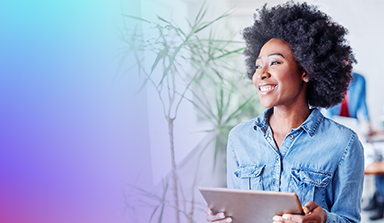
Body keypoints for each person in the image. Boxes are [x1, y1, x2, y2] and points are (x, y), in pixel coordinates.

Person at [205, 2, 364, 223]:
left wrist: (323, 220)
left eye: (275, 62)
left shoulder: (343, 144)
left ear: (306, 71)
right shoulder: (239, 138)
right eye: (258, 66)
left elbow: (350, 220)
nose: (261, 74)